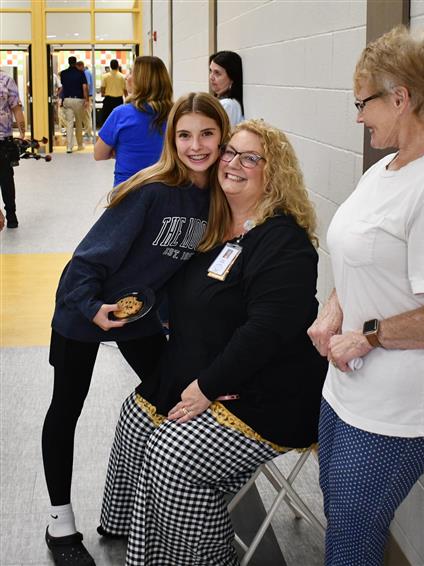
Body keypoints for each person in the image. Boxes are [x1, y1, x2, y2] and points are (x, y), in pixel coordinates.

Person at [98, 119, 327, 565]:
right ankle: (142, 548)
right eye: (230, 152)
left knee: (172, 454)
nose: (233, 163)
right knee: (134, 419)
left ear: (272, 172)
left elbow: (265, 333)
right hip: (212, 371)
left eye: (250, 157)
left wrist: (205, 386)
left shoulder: (283, 242)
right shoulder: (215, 228)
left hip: (269, 393)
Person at [308, 25, 424, 566]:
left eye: (363, 103)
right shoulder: (386, 169)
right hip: (353, 382)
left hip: (409, 397)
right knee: (342, 512)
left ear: (401, 98)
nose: (359, 116)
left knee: (353, 530)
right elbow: (363, 257)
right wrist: (334, 309)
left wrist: (369, 336)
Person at [42, 92, 230, 566]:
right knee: (67, 405)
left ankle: (152, 502)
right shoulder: (151, 191)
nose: (196, 145)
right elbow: (86, 260)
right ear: (171, 139)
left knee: (168, 391)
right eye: (184, 135)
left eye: (207, 133)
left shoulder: (218, 197)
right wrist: (90, 306)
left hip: (140, 317)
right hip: (86, 309)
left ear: (222, 134)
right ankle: (59, 522)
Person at [94, 56, 173, 187]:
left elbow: (99, 154)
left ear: (142, 81)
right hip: (166, 190)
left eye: (131, 73)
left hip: (127, 191)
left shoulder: (120, 114)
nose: (127, 77)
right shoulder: (176, 114)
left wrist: (119, 150)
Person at [0, 72, 26, 228]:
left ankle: (11, 214)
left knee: (6, 178)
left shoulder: (6, 80)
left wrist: (23, 132)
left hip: (3, 139)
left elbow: (16, 108)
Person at [59, 56, 88, 153]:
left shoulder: (63, 74)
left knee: (69, 124)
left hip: (67, 100)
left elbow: (63, 87)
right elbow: (84, 87)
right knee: (79, 123)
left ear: (68, 62)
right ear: (75, 63)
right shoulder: (81, 73)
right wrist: (86, 99)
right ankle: (79, 145)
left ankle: (69, 147)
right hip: (78, 100)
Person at [209, 50, 245, 126]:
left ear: (232, 78)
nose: (211, 77)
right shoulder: (223, 102)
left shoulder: (228, 105)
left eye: (217, 73)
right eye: (210, 71)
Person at [100, 59, 127, 123]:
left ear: (110, 66)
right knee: (118, 118)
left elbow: (102, 88)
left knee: (107, 118)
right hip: (119, 100)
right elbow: (125, 90)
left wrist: (103, 93)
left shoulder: (105, 76)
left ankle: (107, 132)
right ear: (118, 66)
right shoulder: (122, 76)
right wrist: (127, 98)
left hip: (108, 100)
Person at [76, 61, 94, 139]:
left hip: (88, 96)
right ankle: (87, 132)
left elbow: (87, 85)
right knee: (86, 115)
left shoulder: (86, 73)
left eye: (77, 68)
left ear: (81, 66)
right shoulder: (87, 72)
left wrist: (86, 98)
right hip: (88, 96)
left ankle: (88, 133)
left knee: (87, 116)